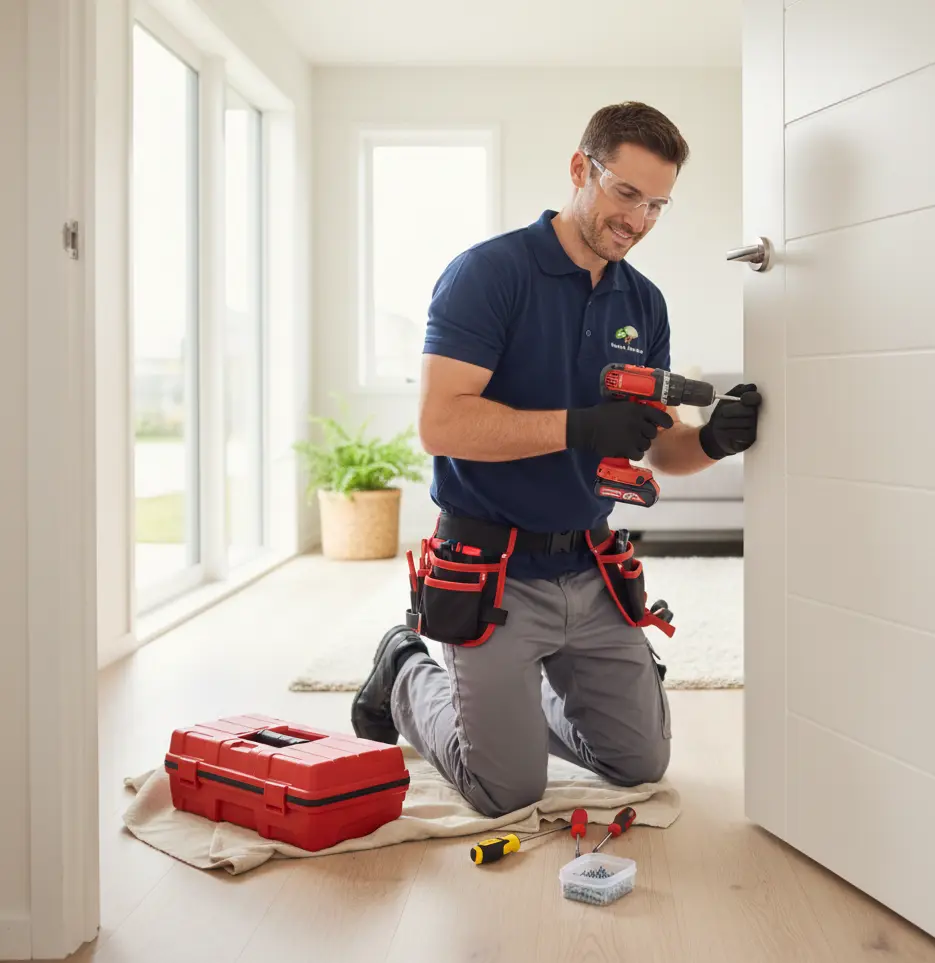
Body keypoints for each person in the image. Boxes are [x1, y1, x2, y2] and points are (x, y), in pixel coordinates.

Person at [351, 102, 761, 817]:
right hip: (494, 568)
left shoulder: (644, 303)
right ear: (580, 169)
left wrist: (714, 441)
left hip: (590, 568)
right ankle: (404, 670)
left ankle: (509, 699)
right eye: (625, 194)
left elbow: (659, 449)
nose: (638, 221)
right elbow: (440, 423)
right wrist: (578, 427)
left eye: (657, 204)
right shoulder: (488, 274)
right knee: (505, 789)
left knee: (637, 762)